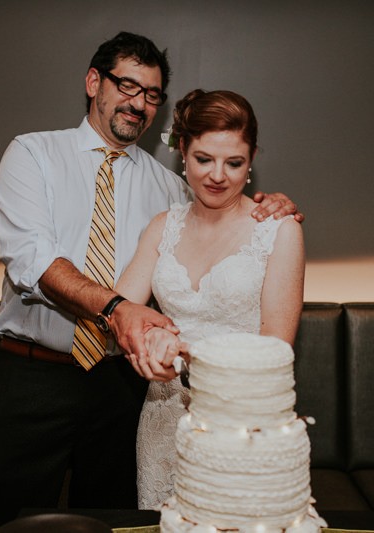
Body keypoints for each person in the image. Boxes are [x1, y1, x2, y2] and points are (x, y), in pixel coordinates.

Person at [0, 32, 302, 532]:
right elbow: (33, 259)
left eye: (152, 94)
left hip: (122, 386)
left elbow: (221, 202)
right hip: (32, 379)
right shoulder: (33, 154)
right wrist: (115, 310)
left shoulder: (172, 191)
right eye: (127, 85)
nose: (138, 102)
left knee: (110, 522)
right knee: (9, 520)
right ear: (93, 82)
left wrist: (270, 204)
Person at [113, 89, 305, 510]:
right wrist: (145, 346)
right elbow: (121, 313)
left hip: (240, 426)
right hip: (164, 423)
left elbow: (276, 349)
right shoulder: (162, 226)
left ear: (252, 159)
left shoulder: (279, 230)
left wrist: (182, 352)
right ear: (182, 150)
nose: (218, 175)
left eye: (234, 162)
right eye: (204, 159)